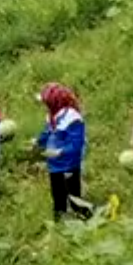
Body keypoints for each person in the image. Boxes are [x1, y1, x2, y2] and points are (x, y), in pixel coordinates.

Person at [36, 83, 92, 220]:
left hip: (69, 164)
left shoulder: (73, 118)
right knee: (57, 194)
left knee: (73, 195)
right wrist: (37, 142)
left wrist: (60, 152)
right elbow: (47, 132)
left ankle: (84, 218)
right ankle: (59, 219)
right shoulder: (51, 116)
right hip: (54, 164)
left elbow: (76, 145)